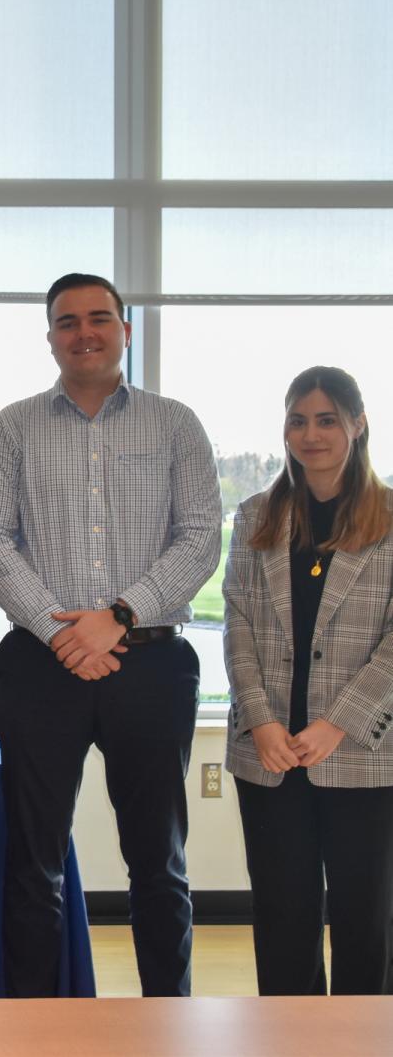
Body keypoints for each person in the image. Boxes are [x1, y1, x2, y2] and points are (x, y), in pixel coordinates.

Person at [0, 273, 221, 998]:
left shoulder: (175, 423)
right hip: (41, 666)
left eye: (100, 318)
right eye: (68, 321)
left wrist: (120, 615)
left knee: (157, 861)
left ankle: (166, 1018)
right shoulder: (14, 426)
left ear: (126, 330)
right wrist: (58, 631)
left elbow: (201, 535)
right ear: (50, 337)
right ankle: (36, 1027)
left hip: (151, 663)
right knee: (33, 861)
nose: (85, 332)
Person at [223, 366, 393, 996]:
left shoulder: (390, 518)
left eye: (326, 420)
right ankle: (290, 1038)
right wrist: (262, 719)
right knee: (283, 915)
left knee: (365, 917)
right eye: (298, 419)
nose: (311, 434)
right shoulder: (254, 518)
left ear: (358, 424)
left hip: (363, 753)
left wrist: (336, 722)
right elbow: (235, 624)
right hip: (269, 753)